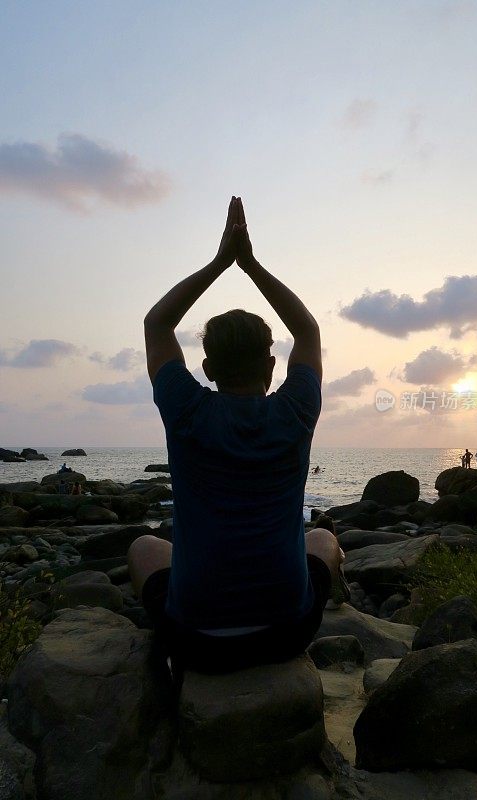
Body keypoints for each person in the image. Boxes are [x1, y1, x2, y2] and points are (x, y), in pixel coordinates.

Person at [128, 197, 347, 687]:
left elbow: (156, 324)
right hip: (287, 632)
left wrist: (219, 263)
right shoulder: (296, 410)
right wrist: (251, 265)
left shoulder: (187, 410)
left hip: (197, 637)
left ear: (206, 369)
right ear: (273, 366)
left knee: (144, 547)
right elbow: (308, 329)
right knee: (324, 539)